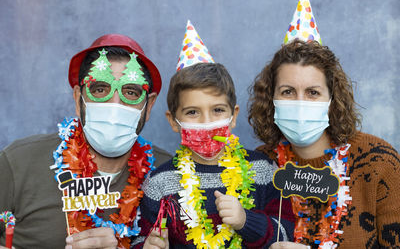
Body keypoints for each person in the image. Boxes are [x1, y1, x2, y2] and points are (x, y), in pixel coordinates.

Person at [0, 34, 171, 249]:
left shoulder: (169, 176)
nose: (114, 105)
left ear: (149, 105)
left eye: (130, 92)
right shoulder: (19, 163)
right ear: (77, 98)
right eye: (99, 90)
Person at [248, 39, 400, 248]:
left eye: (313, 92)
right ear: (271, 100)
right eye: (288, 91)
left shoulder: (379, 162)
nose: (300, 103)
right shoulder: (260, 165)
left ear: (332, 101)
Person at [132, 61, 294, 249]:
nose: (207, 122)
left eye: (217, 110)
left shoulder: (263, 170)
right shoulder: (159, 183)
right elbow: (140, 237)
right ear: (173, 121)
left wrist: (245, 221)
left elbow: (285, 233)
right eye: (192, 112)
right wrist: (145, 246)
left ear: (233, 116)